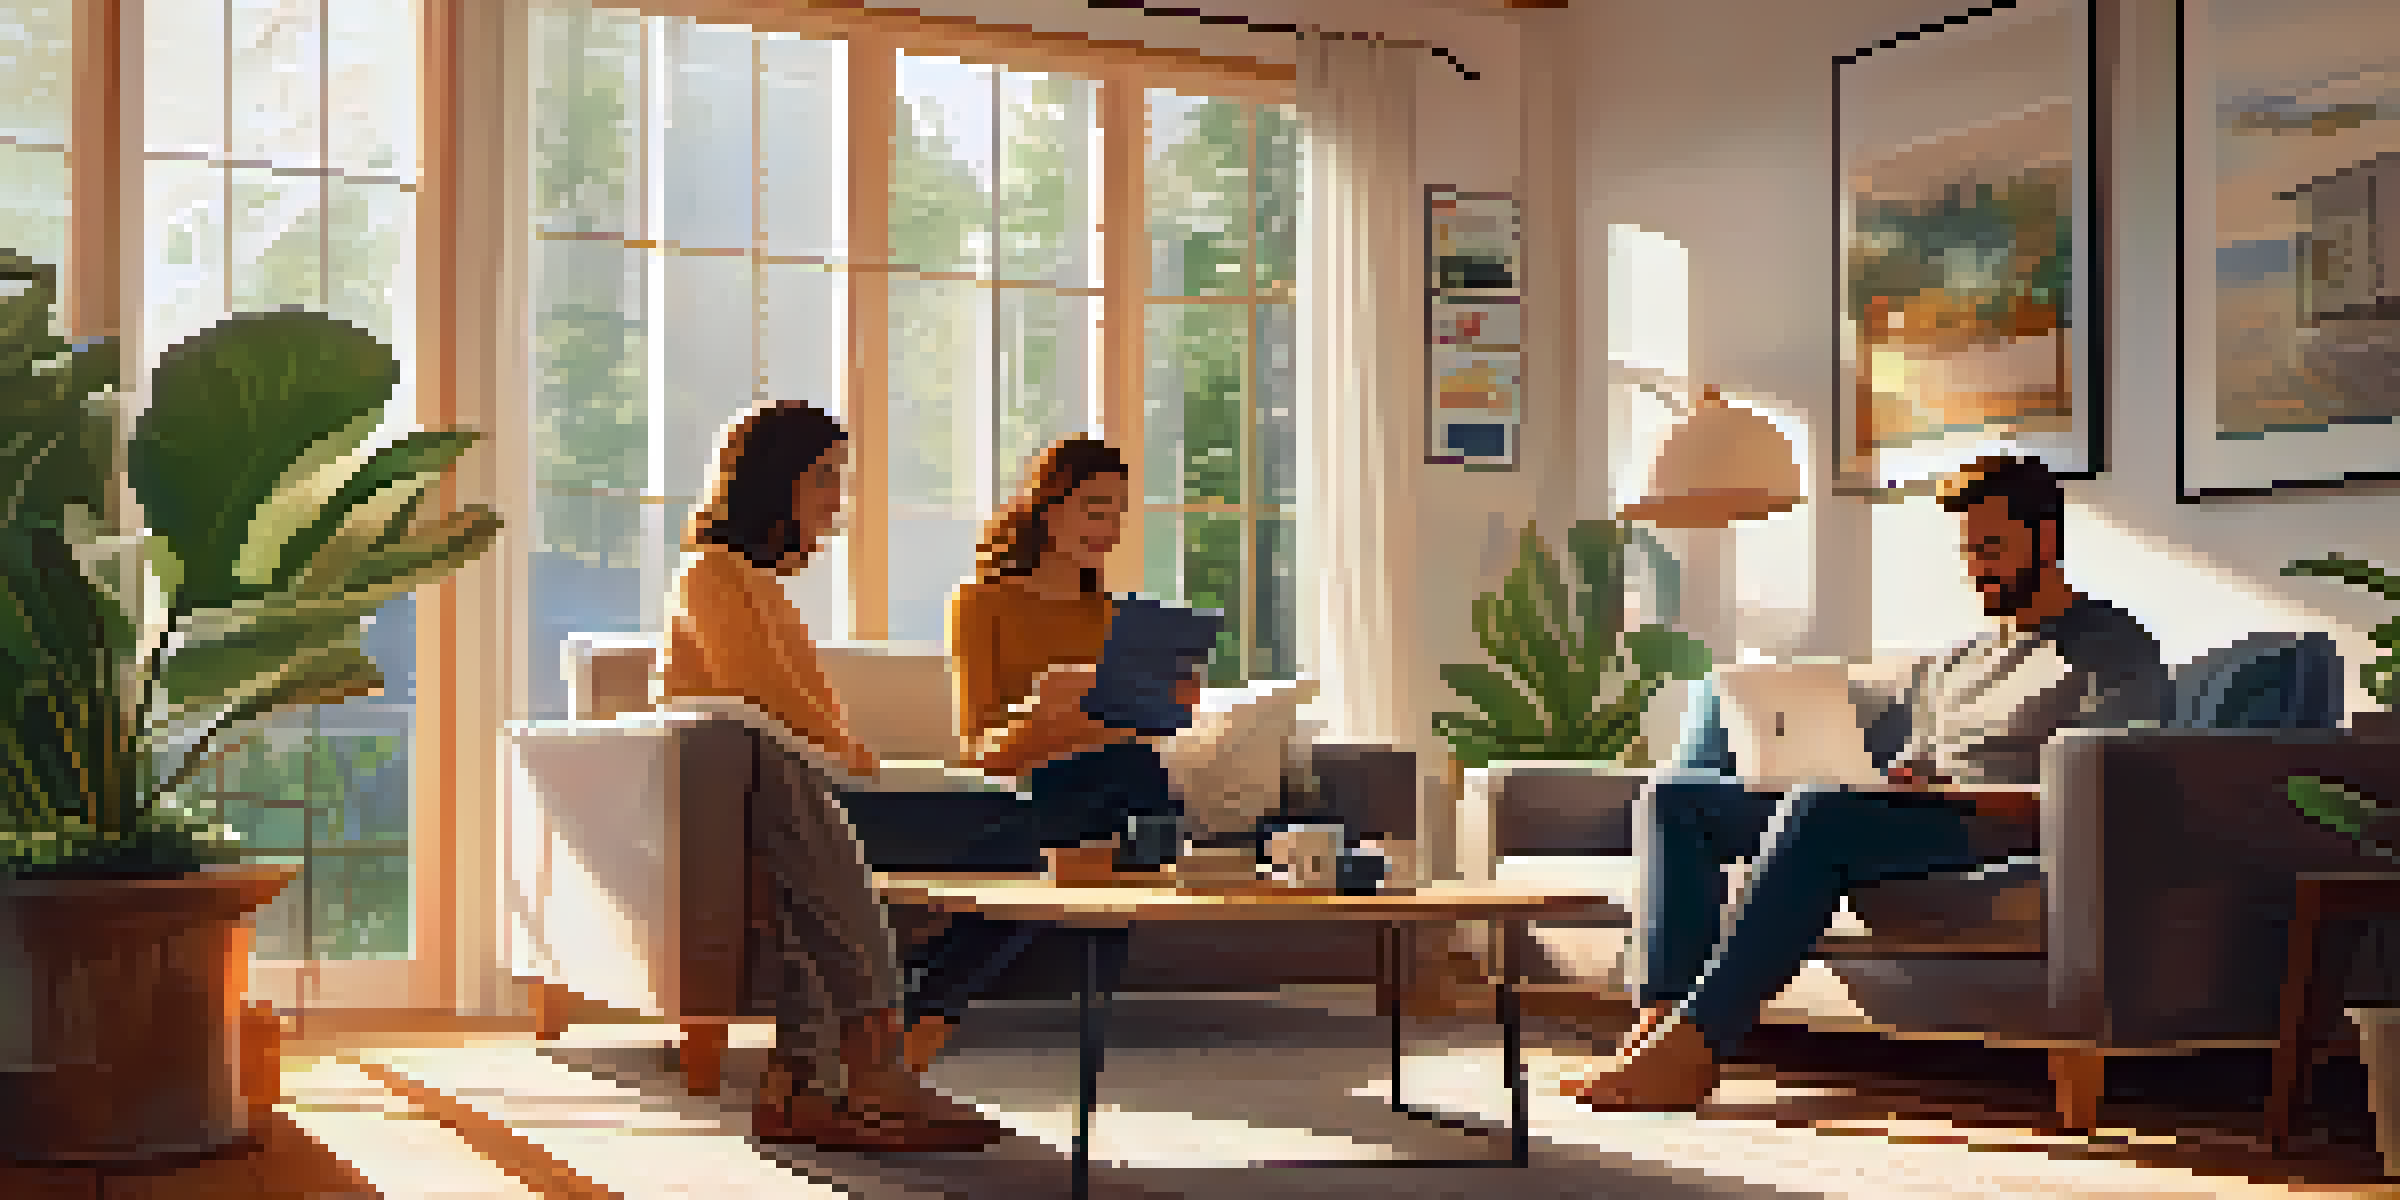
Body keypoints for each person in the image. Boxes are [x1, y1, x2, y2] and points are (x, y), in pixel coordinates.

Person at [1562, 454, 2171, 1111]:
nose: (1977, 568)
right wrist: (1889, 777)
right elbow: (1915, 756)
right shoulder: (1960, 661)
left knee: (1820, 811)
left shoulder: (2113, 645)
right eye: (1969, 551)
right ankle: (1657, 1026)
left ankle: (1701, 1044)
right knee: (1678, 800)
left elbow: (2114, 781)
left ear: (2045, 540)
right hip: (1915, 815)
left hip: (1998, 826)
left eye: (1992, 548)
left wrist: (1949, 794)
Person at [659, 400, 1007, 1151]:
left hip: (774, 788)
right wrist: (848, 756)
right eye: (822, 478)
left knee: (806, 859)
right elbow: (757, 694)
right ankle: (875, 1063)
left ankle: (803, 1088)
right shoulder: (711, 574)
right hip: (740, 786)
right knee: (803, 793)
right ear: (771, 483)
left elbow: (800, 709)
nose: (835, 500)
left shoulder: (757, 584)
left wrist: (846, 754)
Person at [896, 435, 1195, 1073]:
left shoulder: (1114, 616)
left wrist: (1153, 709)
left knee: (1135, 774)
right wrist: (1048, 715)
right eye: (1094, 509)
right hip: (1027, 789)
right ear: (1047, 508)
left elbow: (1135, 737)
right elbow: (981, 751)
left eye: (1118, 513)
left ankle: (928, 1004)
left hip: (1109, 793)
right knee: (1113, 798)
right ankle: (944, 1007)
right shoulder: (983, 604)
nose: (1108, 529)